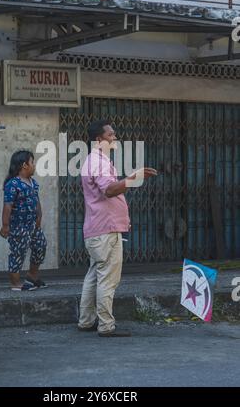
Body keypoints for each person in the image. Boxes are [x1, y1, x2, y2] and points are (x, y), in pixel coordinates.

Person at [78, 120, 157, 337]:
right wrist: (135, 177)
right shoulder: (99, 162)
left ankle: (86, 321)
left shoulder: (90, 161)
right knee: (107, 278)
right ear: (98, 140)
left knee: (94, 275)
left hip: (96, 228)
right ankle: (106, 326)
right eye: (111, 135)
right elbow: (110, 190)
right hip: (106, 229)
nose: (115, 138)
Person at [0, 150, 47, 291]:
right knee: (18, 252)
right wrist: (5, 225)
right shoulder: (13, 184)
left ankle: (32, 276)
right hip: (18, 226)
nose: (34, 165)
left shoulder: (33, 183)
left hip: (33, 225)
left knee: (40, 247)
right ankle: (15, 283)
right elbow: (7, 206)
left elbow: (37, 201)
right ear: (24, 165)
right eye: (32, 162)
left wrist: (39, 217)